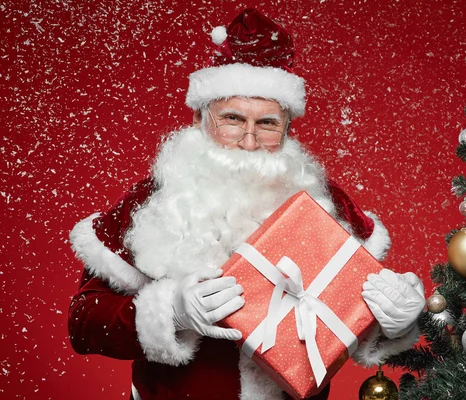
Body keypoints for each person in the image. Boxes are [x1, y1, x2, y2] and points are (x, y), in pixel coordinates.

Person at [68, 8, 425, 400]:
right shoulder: (154, 201)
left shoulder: (325, 201)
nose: (250, 141)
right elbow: (84, 324)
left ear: (288, 125)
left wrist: (396, 323)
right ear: (202, 118)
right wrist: (170, 310)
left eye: (268, 124)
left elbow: (348, 317)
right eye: (233, 119)